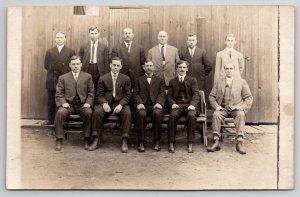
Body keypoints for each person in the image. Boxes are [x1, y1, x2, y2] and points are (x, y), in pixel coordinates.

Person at [207, 63, 253, 154]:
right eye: (227, 68)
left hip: (235, 109)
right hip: (222, 109)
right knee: (216, 114)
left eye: (231, 68)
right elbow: (211, 96)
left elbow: (248, 98)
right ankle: (216, 141)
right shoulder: (219, 82)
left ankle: (239, 142)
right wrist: (217, 106)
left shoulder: (241, 82)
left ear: (234, 70)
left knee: (241, 114)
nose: (229, 70)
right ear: (224, 70)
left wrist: (241, 107)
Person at [90, 57, 132, 153]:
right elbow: (99, 94)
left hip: (120, 103)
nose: (115, 67)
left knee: (127, 113)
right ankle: (96, 139)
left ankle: (125, 140)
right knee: (97, 112)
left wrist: (121, 105)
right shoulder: (103, 78)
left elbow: (128, 95)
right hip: (107, 103)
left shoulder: (126, 78)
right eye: (114, 65)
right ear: (110, 65)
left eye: (118, 65)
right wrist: (104, 104)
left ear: (121, 67)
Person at [54, 56, 94, 151]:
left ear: (81, 65)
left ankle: (87, 138)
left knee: (89, 113)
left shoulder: (87, 76)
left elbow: (91, 92)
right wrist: (63, 102)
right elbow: (59, 93)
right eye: (73, 64)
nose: (75, 66)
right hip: (69, 105)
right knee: (60, 113)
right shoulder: (63, 78)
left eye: (77, 64)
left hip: (82, 105)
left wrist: (88, 102)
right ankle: (59, 139)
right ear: (70, 65)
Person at [133, 60, 166, 152]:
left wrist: (159, 103)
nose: (149, 68)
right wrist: (139, 103)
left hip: (155, 105)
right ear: (144, 67)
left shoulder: (160, 80)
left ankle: (157, 141)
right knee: (141, 114)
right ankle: (141, 142)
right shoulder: (138, 80)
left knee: (157, 114)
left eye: (151, 66)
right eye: (147, 66)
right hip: (143, 105)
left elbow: (162, 93)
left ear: (154, 68)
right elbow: (135, 94)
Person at [167, 60, 200, 153]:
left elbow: (196, 94)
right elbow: (169, 95)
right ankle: (171, 142)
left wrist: (193, 105)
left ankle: (190, 142)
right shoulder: (172, 81)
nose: (182, 69)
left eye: (184, 67)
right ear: (177, 68)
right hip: (178, 105)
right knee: (173, 116)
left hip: (190, 105)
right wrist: (173, 103)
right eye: (180, 67)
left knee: (191, 116)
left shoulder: (192, 80)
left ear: (187, 69)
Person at [44, 31, 75, 125]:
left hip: (65, 79)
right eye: (57, 37)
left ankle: (63, 121)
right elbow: (46, 65)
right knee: (51, 99)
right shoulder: (49, 51)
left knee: (65, 99)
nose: (59, 39)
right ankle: (51, 120)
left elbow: (72, 65)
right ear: (55, 39)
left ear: (65, 39)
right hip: (52, 78)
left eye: (61, 37)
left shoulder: (70, 51)